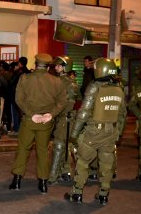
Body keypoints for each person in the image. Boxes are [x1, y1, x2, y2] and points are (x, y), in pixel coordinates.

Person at [65, 58, 126, 205]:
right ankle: (103, 194)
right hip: (110, 132)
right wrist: (119, 133)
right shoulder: (119, 88)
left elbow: (84, 112)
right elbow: (122, 113)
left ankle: (77, 193)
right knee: (106, 163)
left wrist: (74, 134)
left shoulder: (94, 86)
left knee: (83, 162)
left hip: (94, 132)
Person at [9, 53, 67, 194]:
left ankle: (17, 180)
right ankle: (42, 183)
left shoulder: (25, 78)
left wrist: (31, 114)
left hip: (30, 120)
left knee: (23, 149)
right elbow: (62, 102)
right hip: (46, 122)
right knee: (42, 151)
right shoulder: (56, 81)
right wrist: (50, 115)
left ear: (35, 64)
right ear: (48, 67)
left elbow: (19, 99)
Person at [48, 55, 79, 185]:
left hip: (66, 118)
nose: (56, 67)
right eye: (55, 65)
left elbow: (70, 104)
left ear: (66, 67)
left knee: (59, 144)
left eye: (59, 65)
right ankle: (65, 171)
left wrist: (55, 112)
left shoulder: (71, 84)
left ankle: (53, 175)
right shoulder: (56, 81)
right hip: (57, 117)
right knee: (65, 145)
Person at [8, 57, 31, 136]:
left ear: (20, 63)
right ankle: (24, 129)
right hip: (26, 96)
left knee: (15, 113)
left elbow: (11, 82)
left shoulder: (18, 72)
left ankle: (16, 129)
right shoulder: (29, 72)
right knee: (24, 113)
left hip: (16, 95)